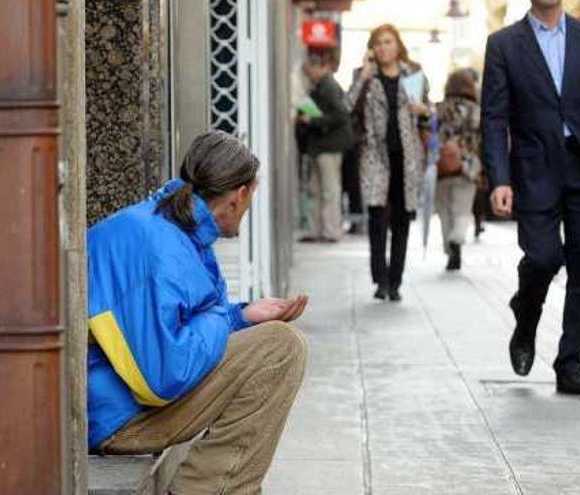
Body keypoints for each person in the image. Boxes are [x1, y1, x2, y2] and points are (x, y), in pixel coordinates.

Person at [87, 131, 309, 494]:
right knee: (281, 348)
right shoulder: (162, 246)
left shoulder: (169, 227)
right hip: (116, 419)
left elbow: (177, 329)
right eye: (253, 195)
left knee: (273, 342)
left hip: (114, 404)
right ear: (240, 196)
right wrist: (224, 319)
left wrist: (242, 317)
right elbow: (163, 377)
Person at [482, 0, 580, 395]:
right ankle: (525, 317)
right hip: (534, 170)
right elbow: (493, 117)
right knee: (544, 257)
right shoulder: (504, 44)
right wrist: (500, 179)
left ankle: (570, 362)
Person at [347, 24, 430, 302]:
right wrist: (363, 77)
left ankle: (395, 282)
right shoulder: (365, 77)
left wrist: (424, 112)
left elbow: (428, 116)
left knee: (402, 221)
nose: (383, 47)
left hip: (407, 160)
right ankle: (380, 280)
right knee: (377, 221)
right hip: (375, 158)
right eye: (378, 43)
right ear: (372, 48)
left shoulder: (413, 75)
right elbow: (346, 107)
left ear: (398, 46)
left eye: (388, 42)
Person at [297, 51, 354, 243]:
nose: (308, 73)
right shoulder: (321, 85)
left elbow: (340, 115)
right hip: (321, 146)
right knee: (318, 188)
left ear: (321, 67)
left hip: (329, 145)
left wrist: (313, 120)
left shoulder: (329, 87)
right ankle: (319, 230)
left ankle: (329, 230)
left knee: (328, 189)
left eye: (310, 69)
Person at [435, 69, 482, 271]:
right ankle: (458, 238)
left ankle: (449, 248)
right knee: (462, 208)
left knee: (444, 211)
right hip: (468, 165)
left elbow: (431, 132)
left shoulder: (440, 109)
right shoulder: (476, 110)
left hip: (443, 164)